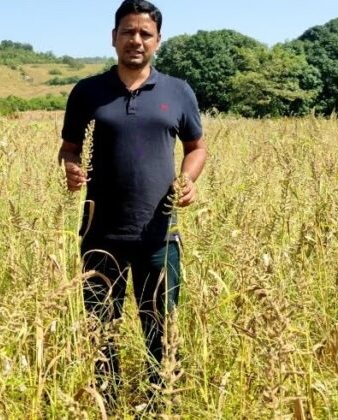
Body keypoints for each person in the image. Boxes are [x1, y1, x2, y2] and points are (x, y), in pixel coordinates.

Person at [58, 0, 207, 407]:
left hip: (160, 236)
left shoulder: (178, 92)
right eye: (128, 32)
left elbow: (196, 148)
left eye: (145, 34)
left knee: (161, 331)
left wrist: (188, 180)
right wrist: (71, 168)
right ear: (113, 38)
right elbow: (69, 149)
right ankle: (108, 405)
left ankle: (159, 408)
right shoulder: (87, 92)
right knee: (100, 330)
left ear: (157, 41)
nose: (135, 40)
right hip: (99, 235)